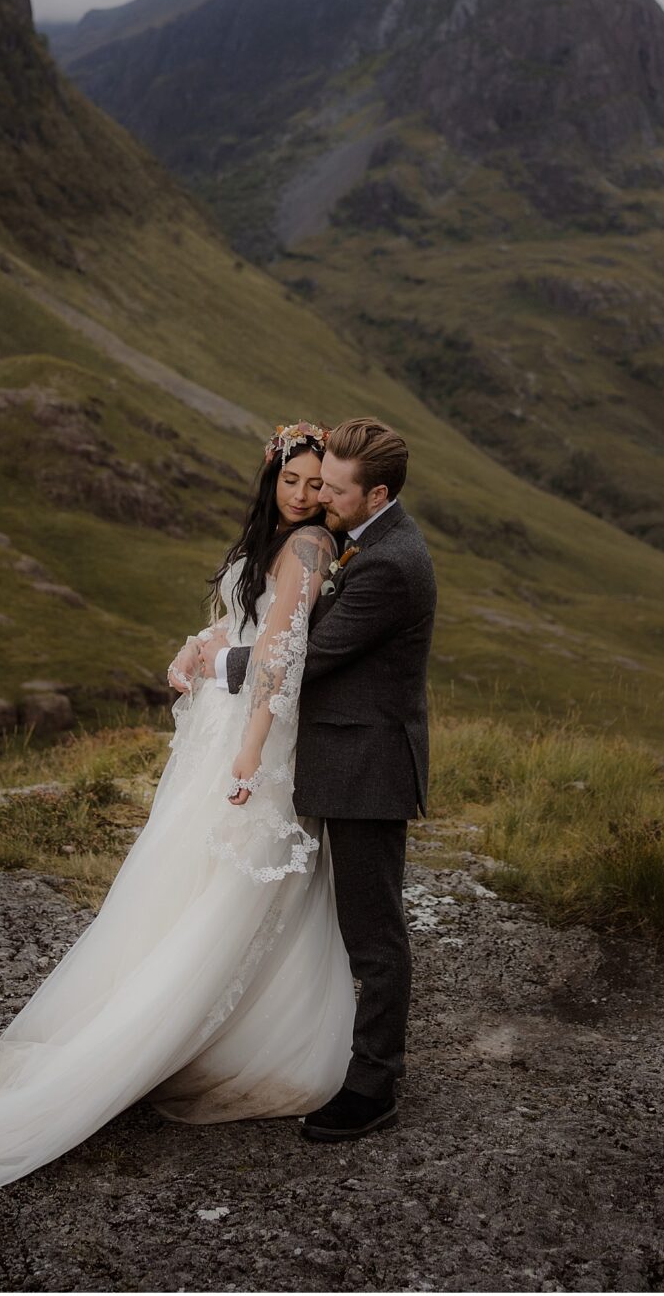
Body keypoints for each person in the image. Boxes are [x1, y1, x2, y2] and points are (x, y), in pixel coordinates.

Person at [0, 420, 355, 1203]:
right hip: (222, 724)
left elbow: (282, 655)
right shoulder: (271, 539)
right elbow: (243, 623)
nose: (303, 496)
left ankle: (203, 1032)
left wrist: (250, 751)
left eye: (316, 485)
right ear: (271, 476)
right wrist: (195, 645)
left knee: (236, 889)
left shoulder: (308, 548)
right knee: (181, 876)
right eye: (291, 480)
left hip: (256, 736)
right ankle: (160, 1021)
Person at [182, 416, 436, 1142]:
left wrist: (217, 664)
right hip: (338, 751)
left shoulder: (390, 563)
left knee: (373, 930)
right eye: (311, 481)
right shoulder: (370, 535)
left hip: (366, 764)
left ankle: (374, 1083)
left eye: (334, 486)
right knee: (326, 914)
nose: (320, 492)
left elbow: (306, 655)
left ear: (375, 491)